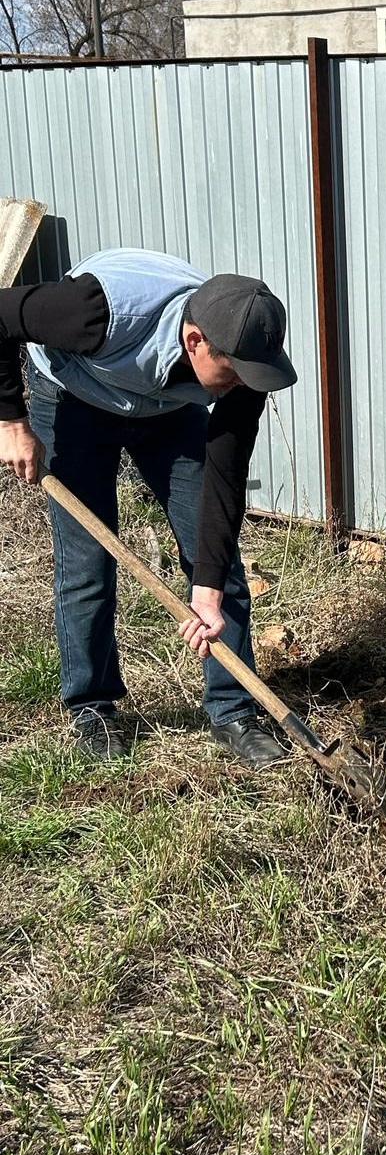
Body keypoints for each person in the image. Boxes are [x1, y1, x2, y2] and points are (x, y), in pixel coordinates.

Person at [0, 248, 298, 767]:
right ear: (195, 341)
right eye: (232, 373)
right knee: (88, 563)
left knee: (218, 563)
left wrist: (206, 587)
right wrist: (11, 420)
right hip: (75, 395)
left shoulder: (245, 360)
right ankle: (92, 707)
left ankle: (233, 710)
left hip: (167, 410)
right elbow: (1, 315)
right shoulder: (93, 311)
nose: (242, 384)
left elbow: (225, 478)